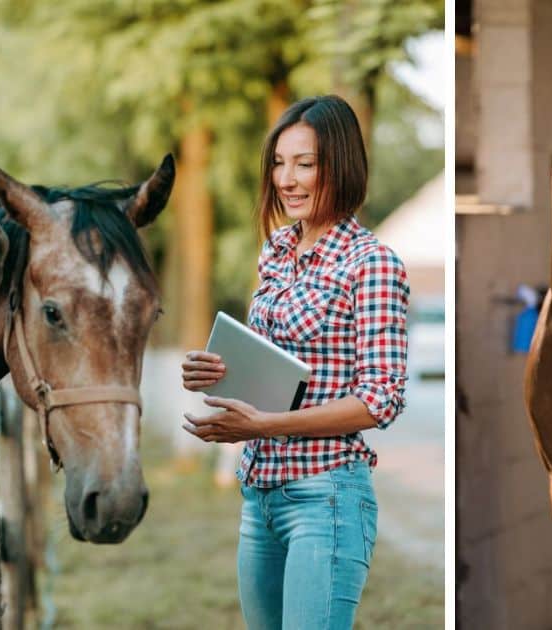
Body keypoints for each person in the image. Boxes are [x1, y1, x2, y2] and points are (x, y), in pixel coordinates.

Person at [179, 95, 409, 630]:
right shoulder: (275, 251)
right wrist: (215, 370)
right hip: (259, 496)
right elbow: (273, 364)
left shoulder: (370, 264)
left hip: (325, 498)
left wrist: (266, 425)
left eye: (305, 163)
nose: (287, 178)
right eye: (279, 163)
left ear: (340, 165)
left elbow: (380, 400)